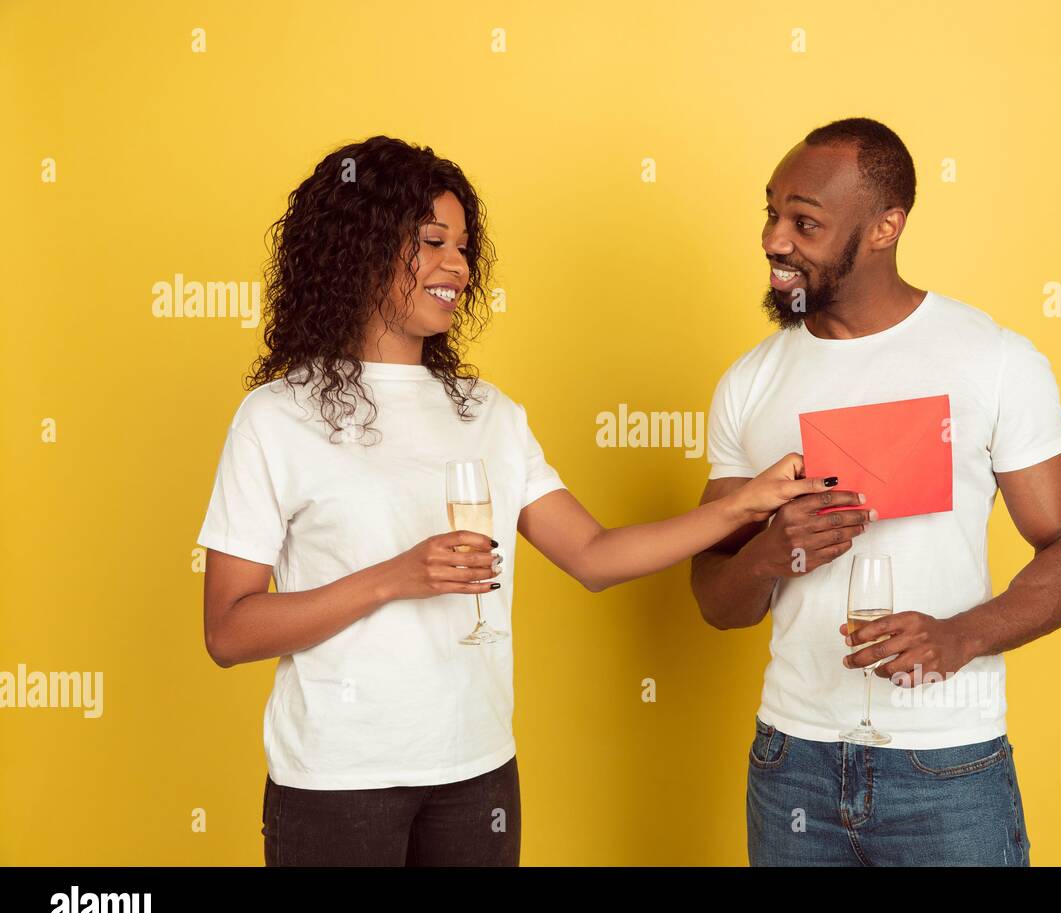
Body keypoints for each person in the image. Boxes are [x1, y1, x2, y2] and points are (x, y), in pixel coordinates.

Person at [196, 135, 827, 867]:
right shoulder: (278, 417)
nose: (457, 267)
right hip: (339, 783)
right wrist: (394, 578)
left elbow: (593, 556)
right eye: (432, 242)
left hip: (479, 774)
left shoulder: (487, 412)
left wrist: (742, 505)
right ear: (358, 248)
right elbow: (229, 631)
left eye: (464, 247)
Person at [690, 117, 1061, 866]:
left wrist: (959, 637)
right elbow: (716, 601)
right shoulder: (749, 383)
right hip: (793, 764)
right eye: (771, 213)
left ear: (886, 226)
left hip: (945, 769)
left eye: (804, 223)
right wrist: (769, 556)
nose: (773, 241)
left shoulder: (993, 360)